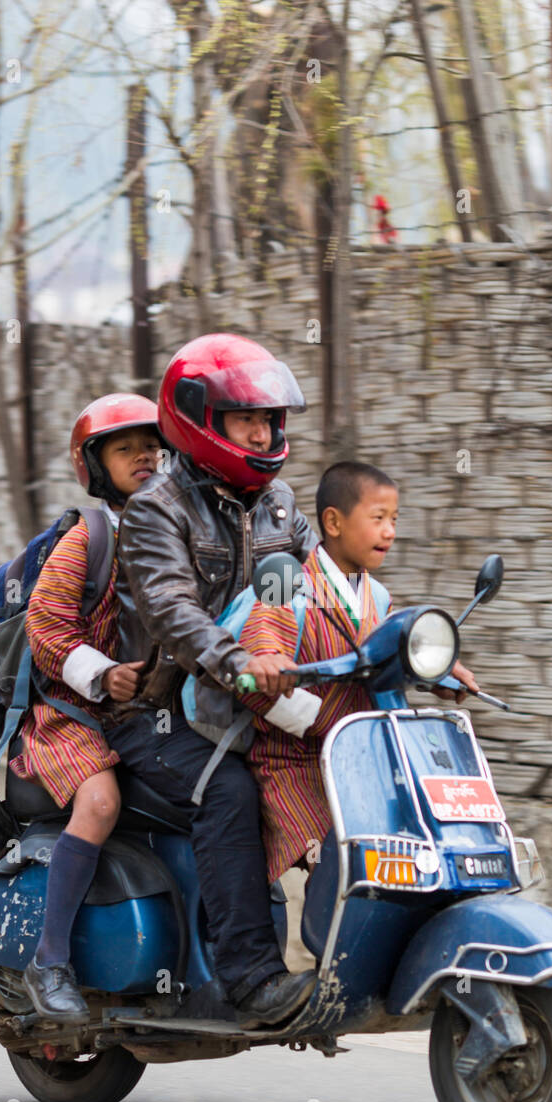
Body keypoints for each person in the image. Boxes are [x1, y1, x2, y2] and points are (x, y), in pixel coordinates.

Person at [105, 332, 320, 1030]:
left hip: (248, 705)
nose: (262, 432)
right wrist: (237, 662)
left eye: (269, 419)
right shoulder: (156, 510)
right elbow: (171, 611)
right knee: (228, 788)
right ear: (200, 419)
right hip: (159, 715)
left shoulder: (281, 504)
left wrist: (411, 643)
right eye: (246, 419)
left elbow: (336, 588)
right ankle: (252, 978)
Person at [237, 460, 479, 882]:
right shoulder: (288, 582)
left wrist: (434, 676)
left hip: (362, 759)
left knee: (397, 863)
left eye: (395, 520)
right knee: (337, 870)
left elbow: (388, 656)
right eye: (378, 518)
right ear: (333, 522)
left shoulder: (378, 595)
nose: (390, 531)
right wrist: (271, 665)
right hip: (293, 762)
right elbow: (259, 654)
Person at [10, 394, 164, 1023]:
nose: (143, 457)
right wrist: (104, 679)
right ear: (95, 467)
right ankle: (49, 962)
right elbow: (46, 630)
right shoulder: (90, 538)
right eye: (125, 449)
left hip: (149, 715)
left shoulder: (181, 534)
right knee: (101, 803)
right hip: (68, 713)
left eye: (150, 446)